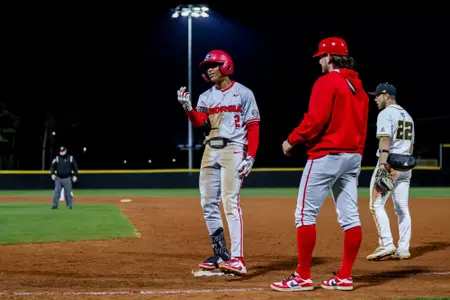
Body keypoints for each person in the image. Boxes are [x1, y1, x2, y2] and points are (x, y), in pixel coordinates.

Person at [270, 37, 369, 292]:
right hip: (353, 156)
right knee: (350, 218)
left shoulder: (327, 82)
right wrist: (357, 154)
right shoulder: (358, 87)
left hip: (327, 155)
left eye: (321, 57)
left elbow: (315, 119)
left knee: (304, 214)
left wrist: (291, 141)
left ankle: (302, 276)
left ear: (330, 58)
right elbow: (361, 127)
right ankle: (345, 276)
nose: (319, 62)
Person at [176, 49, 260, 275]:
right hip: (210, 150)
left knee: (230, 202)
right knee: (208, 204)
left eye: (213, 66)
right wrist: (188, 109)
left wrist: (250, 155)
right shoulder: (205, 97)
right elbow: (200, 124)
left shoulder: (243, 93)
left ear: (226, 65)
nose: (209, 70)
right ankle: (221, 253)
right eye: (206, 68)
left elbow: (253, 126)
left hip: (233, 149)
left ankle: (238, 258)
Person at [366, 83, 415, 261]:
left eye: (377, 95)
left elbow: (385, 140)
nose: (375, 99)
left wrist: (382, 165)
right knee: (402, 208)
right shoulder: (408, 116)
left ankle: (386, 243)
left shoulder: (386, 114)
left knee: (376, 205)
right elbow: (410, 147)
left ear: (387, 96)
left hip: (390, 166)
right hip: (405, 167)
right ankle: (403, 248)